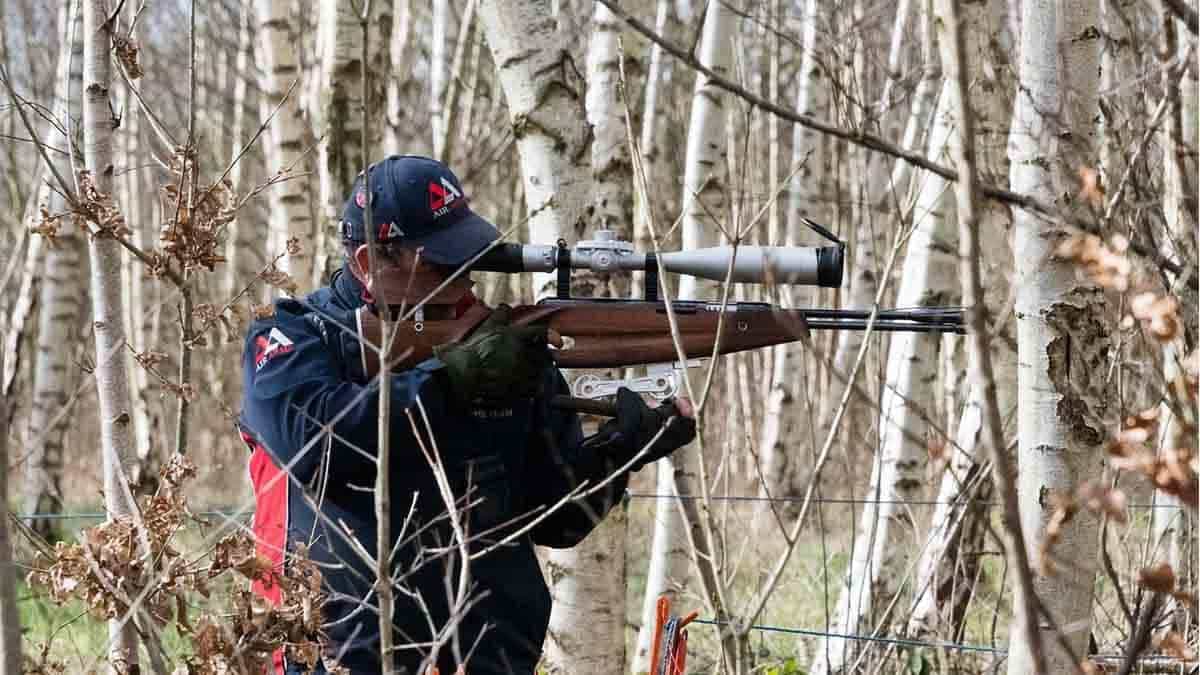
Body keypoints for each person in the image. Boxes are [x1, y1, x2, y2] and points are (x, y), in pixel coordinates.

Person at [238, 155, 696, 674]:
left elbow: (556, 517)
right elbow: (317, 444)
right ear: (368, 262)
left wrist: (622, 452)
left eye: (468, 258)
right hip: (339, 658)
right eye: (442, 263)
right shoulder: (296, 336)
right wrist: (449, 380)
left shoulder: (496, 350)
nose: (465, 280)